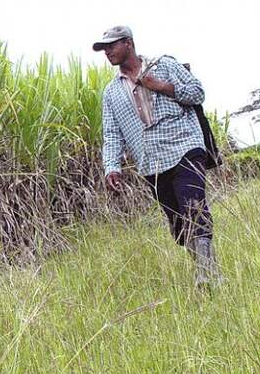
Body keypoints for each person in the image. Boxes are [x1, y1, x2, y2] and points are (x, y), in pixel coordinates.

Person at [93, 25, 222, 287]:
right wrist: (112, 167)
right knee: (179, 225)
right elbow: (111, 133)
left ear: (128, 43)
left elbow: (197, 92)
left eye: (111, 46)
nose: (107, 52)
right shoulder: (111, 92)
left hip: (185, 147)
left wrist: (161, 86)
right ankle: (206, 270)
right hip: (151, 163)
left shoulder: (164, 65)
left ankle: (206, 275)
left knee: (194, 208)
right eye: (103, 49)